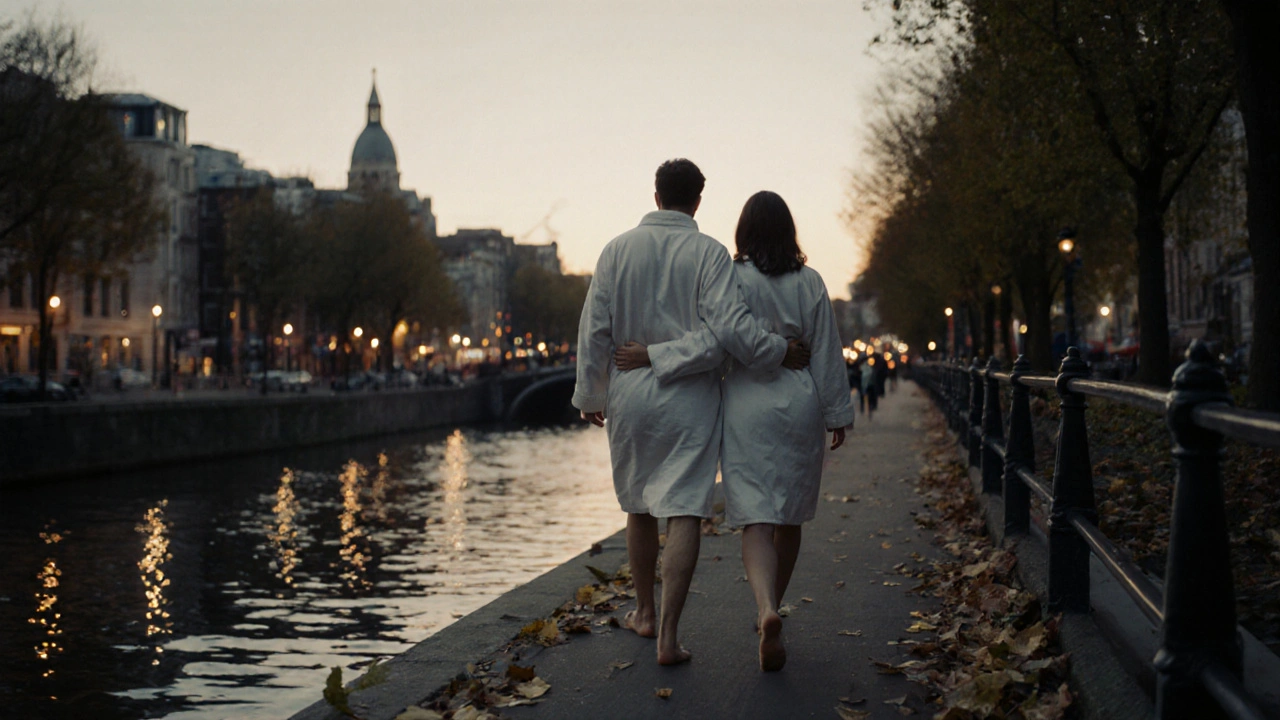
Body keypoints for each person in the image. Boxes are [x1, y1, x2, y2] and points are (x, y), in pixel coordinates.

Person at [572, 160, 810, 666]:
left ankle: (644, 612)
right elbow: (725, 334)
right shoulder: (710, 254)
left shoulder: (616, 250)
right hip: (692, 398)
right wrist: (775, 351)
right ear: (698, 201)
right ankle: (670, 638)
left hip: (630, 389)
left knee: (637, 505)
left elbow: (593, 328)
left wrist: (592, 394)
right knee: (683, 508)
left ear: (655, 195)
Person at [614, 190, 853, 672]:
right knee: (790, 519)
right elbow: (826, 350)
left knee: (755, 520)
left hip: (746, 406)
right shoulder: (811, 283)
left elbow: (720, 339)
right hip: (799, 400)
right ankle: (772, 608)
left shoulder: (731, 277)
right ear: (790, 231)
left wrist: (652, 356)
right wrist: (837, 414)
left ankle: (764, 606)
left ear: (743, 232)